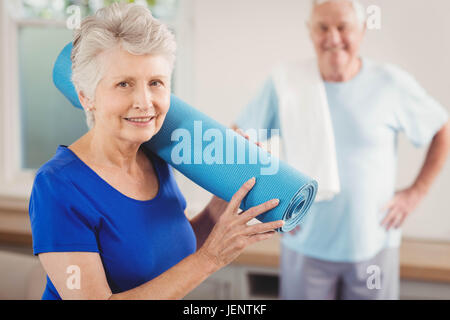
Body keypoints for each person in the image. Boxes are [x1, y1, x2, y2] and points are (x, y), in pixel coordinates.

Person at [29, 2, 284, 300]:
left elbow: (171, 252)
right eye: (124, 84)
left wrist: (220, 206)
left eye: (156, 83)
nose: (145, 101)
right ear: (86, 97)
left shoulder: (154, 155)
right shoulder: (57, 186)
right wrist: (210, 260)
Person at [234, 0, 450, 299]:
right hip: (304, 245)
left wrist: (415, 194)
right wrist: (268, 205)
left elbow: (441, 128)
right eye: (323, 28)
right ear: (310, 32)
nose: (333, 38)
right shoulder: (285, 83)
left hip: (374, 246)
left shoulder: (390, 83)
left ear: (362, 30)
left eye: (343, 27)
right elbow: (238, 141)